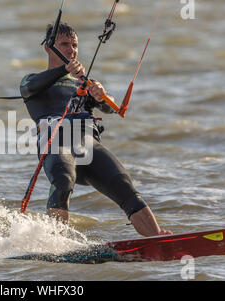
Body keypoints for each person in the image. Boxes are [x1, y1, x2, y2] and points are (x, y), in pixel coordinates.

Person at [19, 23, 171, 237]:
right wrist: (64, 70)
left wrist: (101, 94)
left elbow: (112, 109)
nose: (71, 50)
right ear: (48, 47)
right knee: (63, 179)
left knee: (125, 186)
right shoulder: (34, 81)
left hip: (88, 146)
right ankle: (56, 242)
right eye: (64, 44)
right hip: (57, 144)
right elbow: (28, 88)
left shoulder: (84, 85)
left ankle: (157, 238)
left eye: (74, 45)